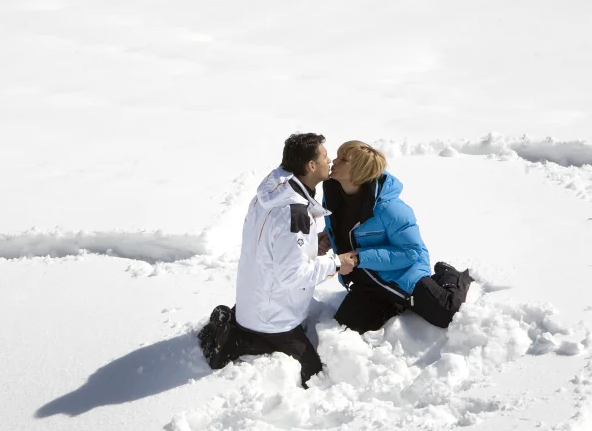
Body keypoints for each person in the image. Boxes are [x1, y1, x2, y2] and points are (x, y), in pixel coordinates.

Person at [198, 133, 357, 386]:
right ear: (311, 166)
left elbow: (272, 250)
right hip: (273, 319)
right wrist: (338, 264)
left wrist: (313, 246)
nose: (331, 160)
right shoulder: (293, 211)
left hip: (255, 300)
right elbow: (291, 275)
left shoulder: (273, 192)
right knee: (314, 373)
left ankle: (237, 328)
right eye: (326, 156)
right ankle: (234, 342)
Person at [322, 140, 473, 333]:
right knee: (345, 328)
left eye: (343, 159)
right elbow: (348, 228)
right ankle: (393, 304)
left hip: (403, 274)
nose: (335, 161)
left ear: (358, 172)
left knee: (447, 313)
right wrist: (328, 235)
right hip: (365, 280)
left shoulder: (390, 208)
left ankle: (449, 274)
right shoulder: (334, 195)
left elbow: (411, 252)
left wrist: (359, 257)